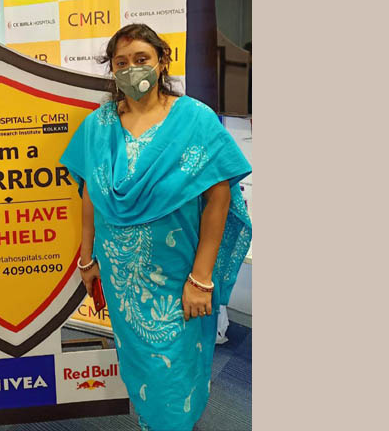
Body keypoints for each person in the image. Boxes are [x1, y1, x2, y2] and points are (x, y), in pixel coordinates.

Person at [60, 24, 252, 431]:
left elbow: (219, 200)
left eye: (141, 59)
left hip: (177, 276)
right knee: (142, 368)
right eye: (121, 63)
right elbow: (90, 194)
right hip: (121, 278)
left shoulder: (195, 120)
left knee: (176, 369)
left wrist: (201, 279)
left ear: (163, 61)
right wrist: (86, 258)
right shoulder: (99, 125)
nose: (132, 69)